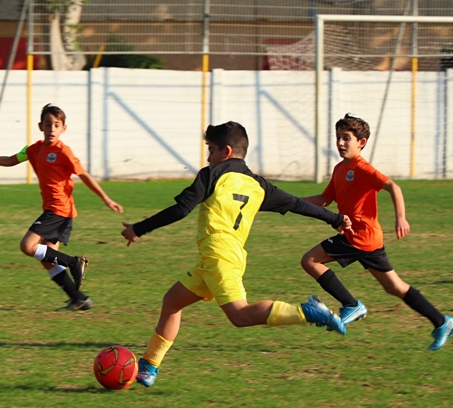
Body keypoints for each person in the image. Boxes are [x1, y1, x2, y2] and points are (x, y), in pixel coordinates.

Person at [121, 121, 351, 388]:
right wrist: (334, 219)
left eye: (211, 150)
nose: (208, 157)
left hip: (218, 256)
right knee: (172, 302)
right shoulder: (259, 185)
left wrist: (138, 228)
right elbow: (297, 204)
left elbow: (181, 209)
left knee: (240, 316)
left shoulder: (212, 174)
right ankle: (149, 366)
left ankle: (307, 312)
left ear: (226, 151)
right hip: (223, 257)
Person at [300, 113, 452, 351]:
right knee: (395, 287)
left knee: (310, 260)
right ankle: (442, 321)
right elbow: (325, 199)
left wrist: (401, 218)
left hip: (359, 236)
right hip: (366, 239)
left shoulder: (362, 168)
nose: (340, 143)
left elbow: (393, 187)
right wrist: (292, 202)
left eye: (346, 138)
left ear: (361, 142)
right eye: (338, 137)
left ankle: (351, 305)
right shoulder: (340, 169)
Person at [0, 104, 124, 311]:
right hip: (56, 210)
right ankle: (78, 299)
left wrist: (106, 199)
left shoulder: (63, 151)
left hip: (59, 209)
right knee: (47, 259)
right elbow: (12, 159)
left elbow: (83, 175)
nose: (52, 129)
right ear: (40, 126)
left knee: (27, 246)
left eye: (56, 125)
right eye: (48, 124)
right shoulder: (34, 149)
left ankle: (74, 262)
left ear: (64, 128)